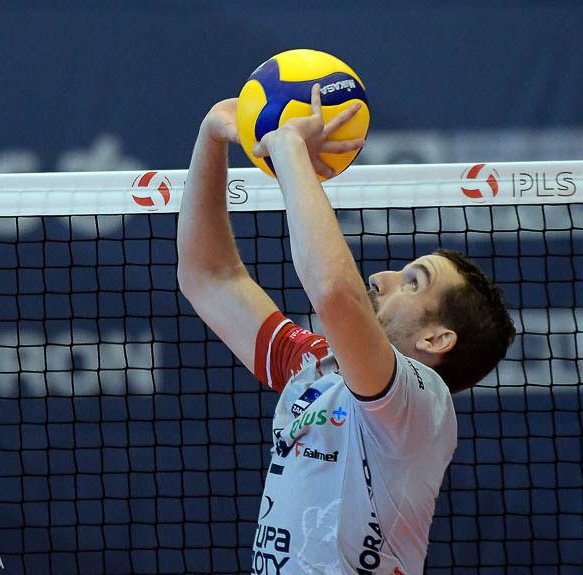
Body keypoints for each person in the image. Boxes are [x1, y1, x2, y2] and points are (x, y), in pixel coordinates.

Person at [177, 85, 515, 574]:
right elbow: (208, 277)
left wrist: (290, 147)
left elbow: (336, 292)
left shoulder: (419, 404)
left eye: (413, 282)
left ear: (436, 340)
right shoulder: (317, 370)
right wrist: (211, 137)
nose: (382, 278)